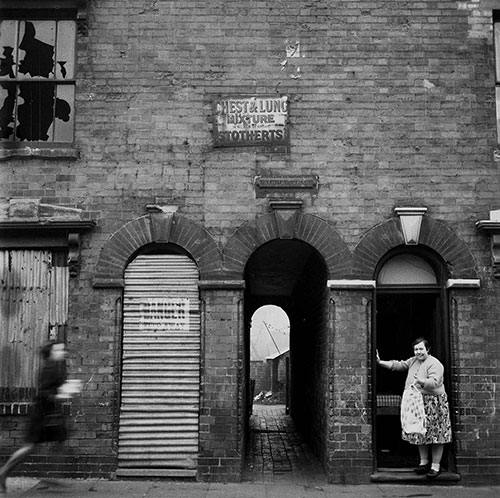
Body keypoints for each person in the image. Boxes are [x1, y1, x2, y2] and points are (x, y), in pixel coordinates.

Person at [376, 337, 452, 479]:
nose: (418, 352)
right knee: (420, 432)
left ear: (427, 349)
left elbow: (435, 382)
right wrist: (380, 362)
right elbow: (398, 365)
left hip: (434, 403)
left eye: (421, 349)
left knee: (437, 435)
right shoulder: (413, 361)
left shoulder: (435, 364)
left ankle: (435, 466)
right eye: (416, 349)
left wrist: (421, 381)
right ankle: (423, 463)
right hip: (418, 401)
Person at [0, 341, 70, 493]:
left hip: (50, 413)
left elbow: (54, 387)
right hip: (41, 415)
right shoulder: (48, 368)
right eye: (59, 349)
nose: (63, 352)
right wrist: (58, 396)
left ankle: (51, 476)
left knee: (60, 440)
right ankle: (3, 473)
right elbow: (43, 392)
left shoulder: (56, 367)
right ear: (51, 352)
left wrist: (65, 388)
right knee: (29, 447)